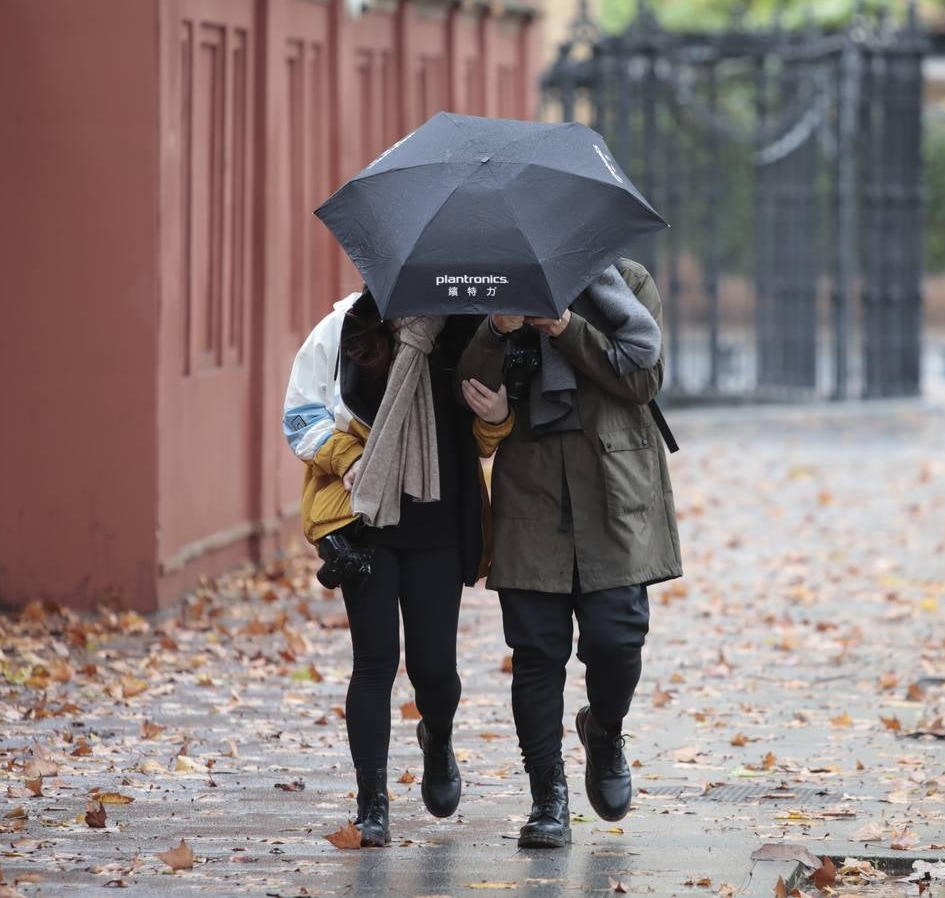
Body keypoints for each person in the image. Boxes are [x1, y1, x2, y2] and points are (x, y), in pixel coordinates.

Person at [456, 258, 682, 849]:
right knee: (535, 651)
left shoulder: (626, 284)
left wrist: (564, 329)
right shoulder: (497, 286)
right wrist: (498, 330)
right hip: (531, 490)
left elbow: (643, 379)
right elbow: (467, 388)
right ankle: (546, 798)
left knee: (618, 638)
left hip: (613, 488)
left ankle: (604, 730)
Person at [283, 291, 512, 847]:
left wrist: (498, 417)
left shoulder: (469, 332)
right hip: (364, 519)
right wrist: (350, 458)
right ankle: (372, 803)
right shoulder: (344, 327)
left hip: (439, 523)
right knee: (374, 662)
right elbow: (301, 417)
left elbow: (480, 439)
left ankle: (437, 737)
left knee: (434, 670)